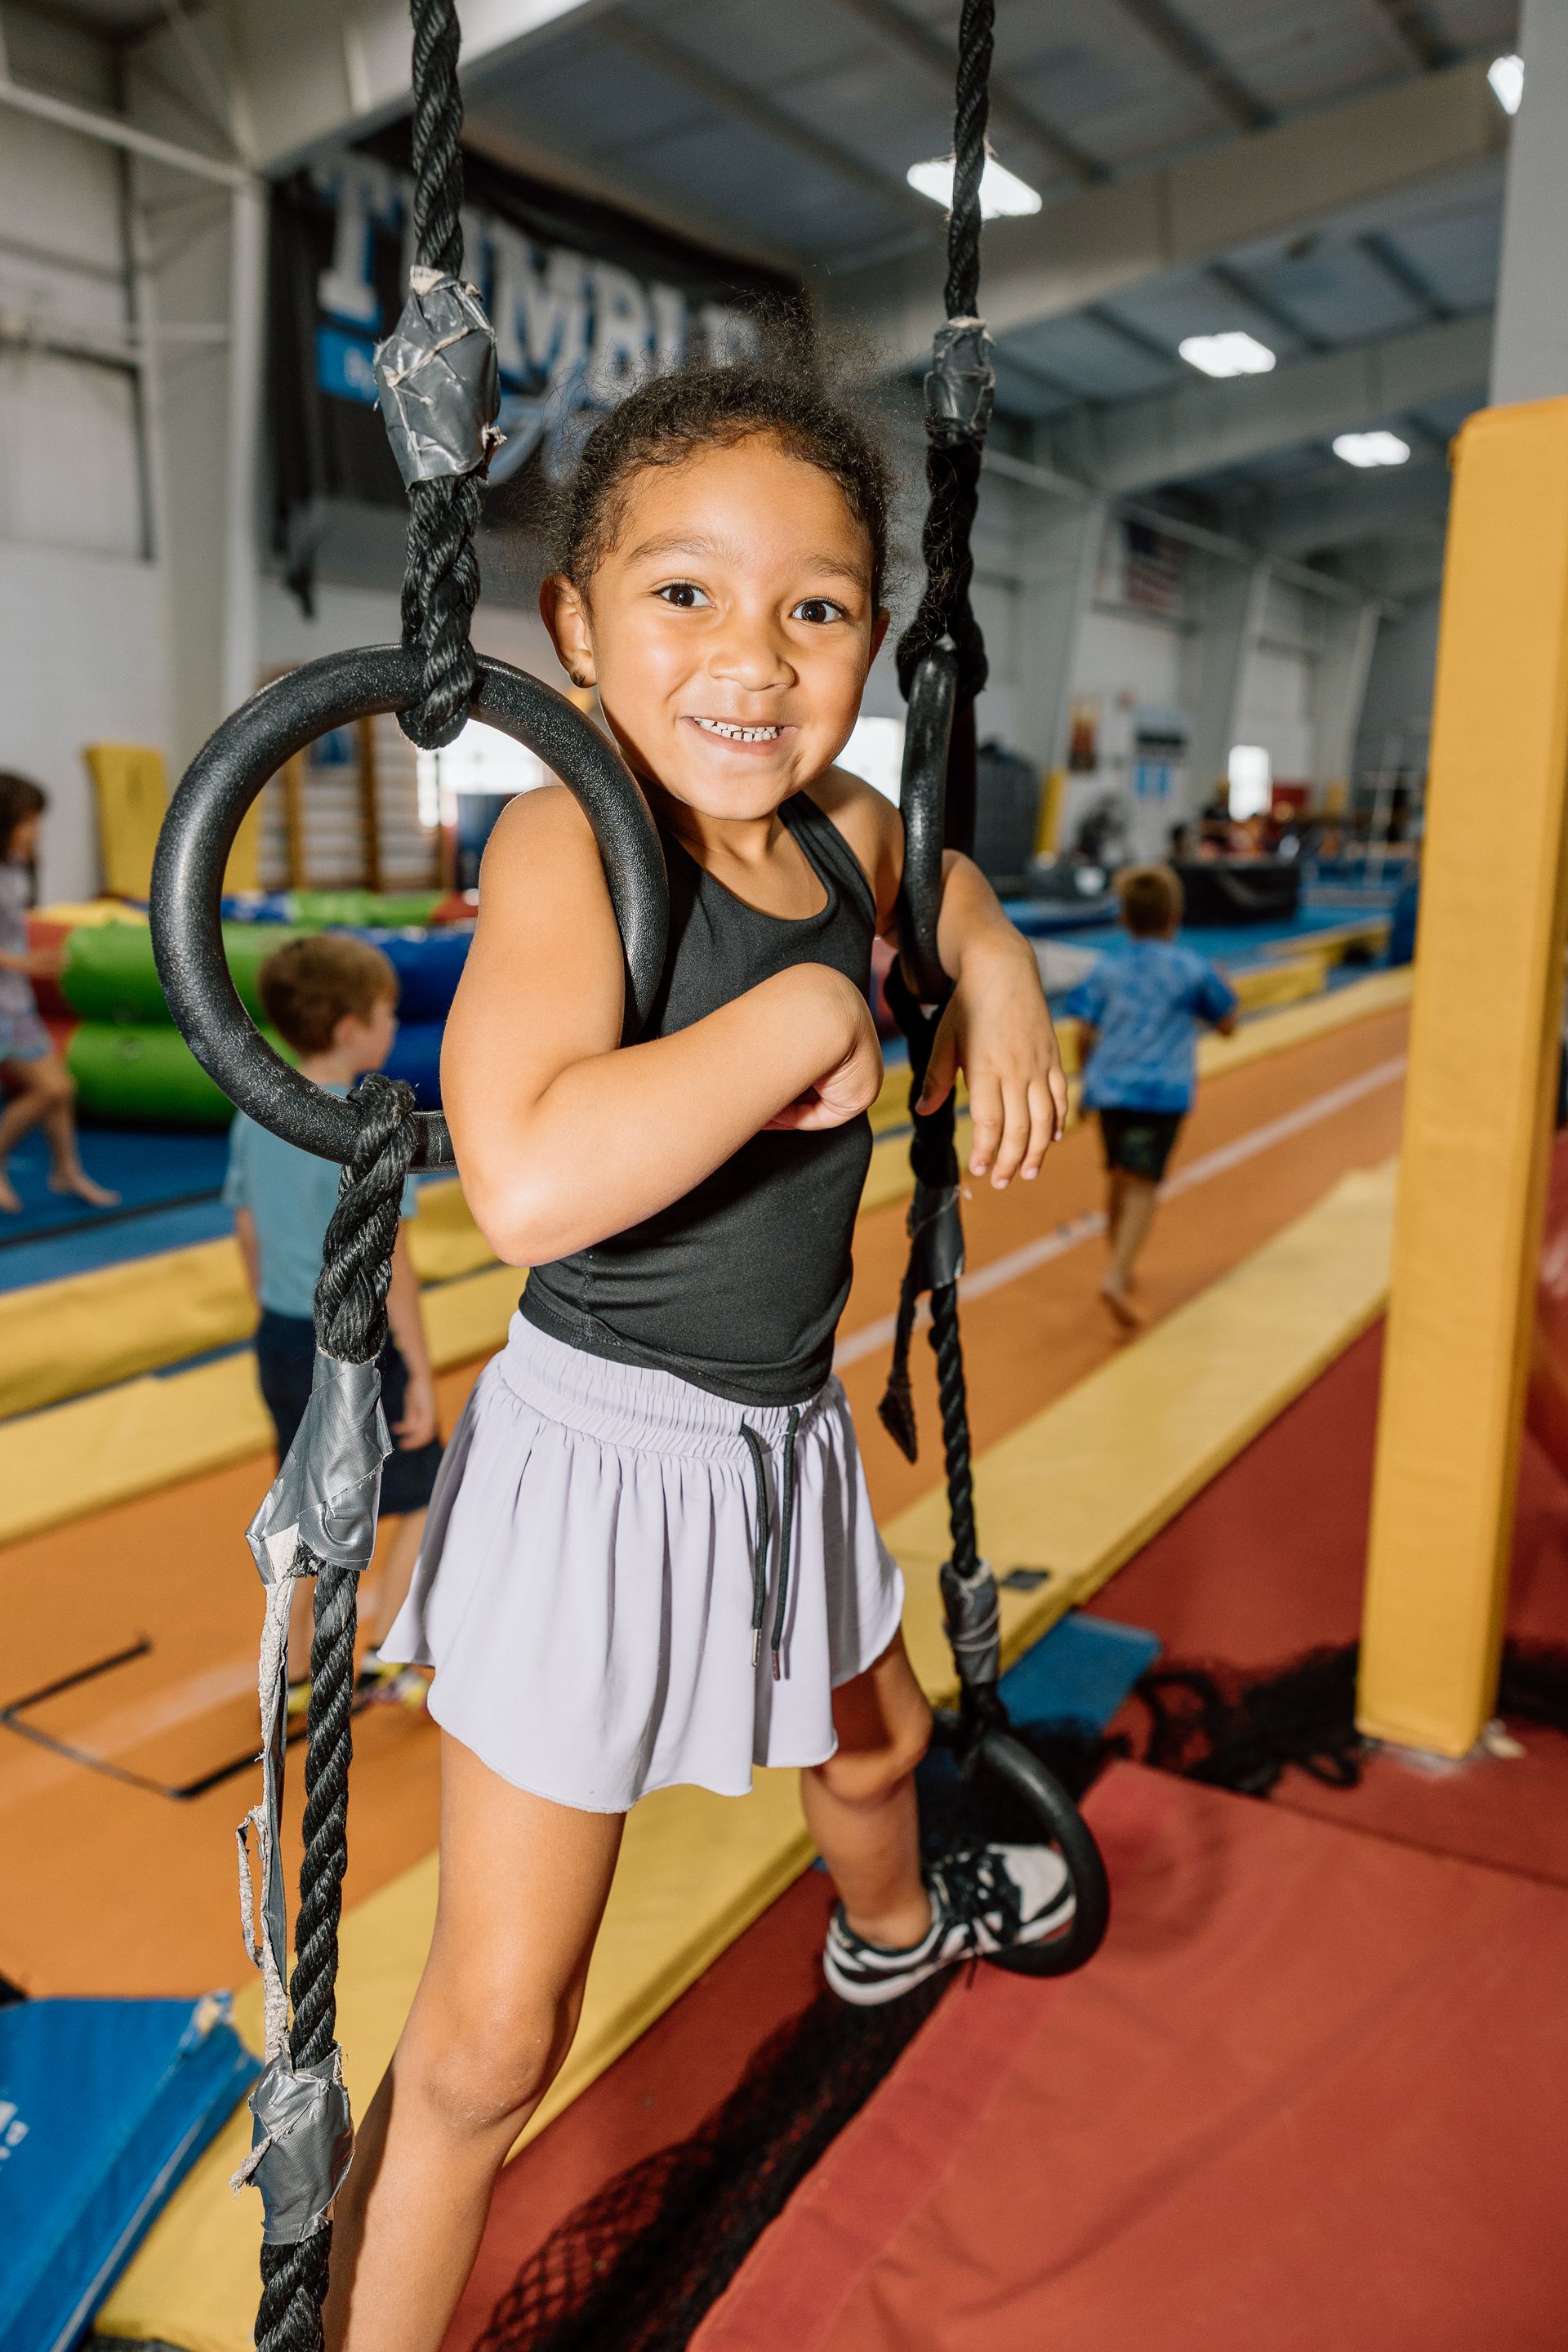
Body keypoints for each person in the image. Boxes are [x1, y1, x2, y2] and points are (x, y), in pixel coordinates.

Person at [323, 360, 1072, 2346]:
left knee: (881, 1744)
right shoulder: (583, 842)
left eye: (813, 608)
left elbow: (951, 884)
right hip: (598, 1465)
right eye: (683, 597)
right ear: (572, 628)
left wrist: (985, 974)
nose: (752, 658)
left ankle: (890, 1932)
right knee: (496, 2030)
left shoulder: (842, 833)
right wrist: (806, 1029)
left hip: (779, 1440)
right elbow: (532, 1178)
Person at [225, 933, 441, 1707]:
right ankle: (387, 1647)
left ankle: (297, 1668)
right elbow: (396, 1268)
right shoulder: (366, 1129)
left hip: (284, 1336)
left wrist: (275, 1312)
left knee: (309, 1502)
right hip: (360, 1346)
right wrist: (417, 1372)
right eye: (388, 1012)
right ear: (351, 1027)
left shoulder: (258, 1116)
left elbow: (248, 1231)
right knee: (421, 1485)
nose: (393, 1025)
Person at [1063, 862, 1236, 1328]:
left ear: (1124, 918)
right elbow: (1227, 1025)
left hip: (1111, 1089)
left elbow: (1084, 1031)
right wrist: (1226, 987)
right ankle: (1117, 1274)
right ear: (1174, 916)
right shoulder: (1192, 969)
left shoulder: (1107, 969)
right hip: (1159, 1092)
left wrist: (1085, 1083)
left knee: (1121, 1175)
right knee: (1142, 1183)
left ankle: (1121, 1261)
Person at [0, 773, 119, 1216]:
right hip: (5, 1005)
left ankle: (66, 1169)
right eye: (27, 821)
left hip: (15, 1003)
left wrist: (31, 960)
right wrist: (23, 963)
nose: (35, 831)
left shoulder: (13, 867)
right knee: (54, 1087)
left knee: (61, 1092)